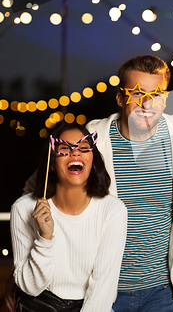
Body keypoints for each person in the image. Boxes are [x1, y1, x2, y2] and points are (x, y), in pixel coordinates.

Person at [23, 55, 173, 311]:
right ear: (120, 98)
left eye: (156, 93)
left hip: (163, 291)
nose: (146, 103)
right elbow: (35, 188)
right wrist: (26, 261)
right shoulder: (93, 139)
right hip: (102, 289)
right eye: (136, 93)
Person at [11, 122, 127, 311]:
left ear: (93, 159)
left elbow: (102, 289)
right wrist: (45, 238)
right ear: (52, 164)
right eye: (65, 148)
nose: (75, 153)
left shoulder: (113, 210)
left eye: (83, 147)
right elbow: (30, 288)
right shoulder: (23, 209)